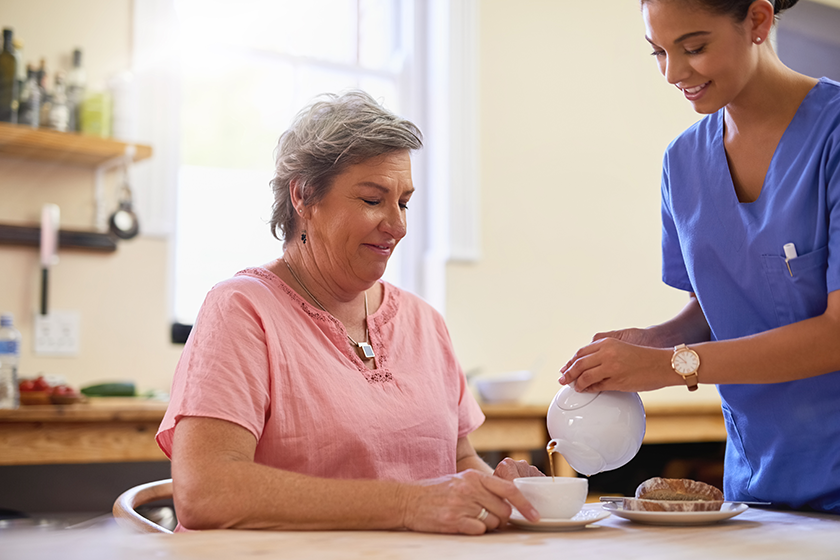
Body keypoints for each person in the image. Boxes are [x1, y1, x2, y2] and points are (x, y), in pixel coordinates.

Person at [157, 90, 543, 534]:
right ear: (303, 196)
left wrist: (499, 489)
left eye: (404, 202)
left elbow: (455, 461)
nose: (397, 226)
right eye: (373, 200)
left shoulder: (424, 322)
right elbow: (206, 492)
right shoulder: (242, 310)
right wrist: (406, 505)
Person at [559, 0, 840, 514]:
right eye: (658, 53)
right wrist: (654, 341)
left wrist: (669, 365)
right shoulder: (683, 163)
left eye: (694, 47)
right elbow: (718, 309)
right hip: (757, 487)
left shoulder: (833, 138)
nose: (673, 73)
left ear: (757, 20)